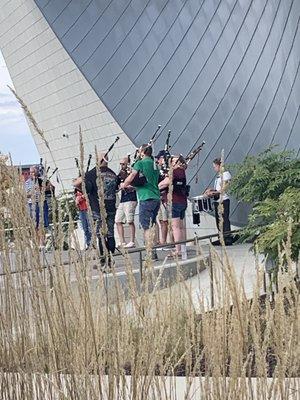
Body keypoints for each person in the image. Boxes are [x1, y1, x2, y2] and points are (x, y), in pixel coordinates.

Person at [73, 152, 118, 267]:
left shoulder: (92, 173)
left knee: (101, 235)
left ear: (99, 160)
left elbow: (77, 183)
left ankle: (103, 260)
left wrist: (82, 188)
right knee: (110, 234)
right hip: (111, 207)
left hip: (97, 209)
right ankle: (111, 258)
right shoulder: (113, 174)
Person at [120, 144, 160, 260]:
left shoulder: (140, 163)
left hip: (145, 197)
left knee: (146, 227)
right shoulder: (155, 164)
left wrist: (124, 184)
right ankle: (154, 251)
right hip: (156, 196)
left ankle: (149, 253)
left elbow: (132, 175)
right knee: (152, 225)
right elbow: (148, 181)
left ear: (142, 152)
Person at [158, 156, 188, 258]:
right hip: (183, 200)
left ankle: (178, 250)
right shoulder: (182, 171)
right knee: (181, 226)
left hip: (174, 200)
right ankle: (183, 248)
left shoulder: (174, 172)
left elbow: (166, 183)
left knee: (175, 227)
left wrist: (156, 187)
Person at [204, 158, 233, 245]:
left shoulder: (226, 175)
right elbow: (218, 189)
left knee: (224, 219)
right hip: (217, 200)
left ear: (219, 166)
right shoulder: (218, 176)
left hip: (223, 200)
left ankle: (227, 237)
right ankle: (221, 237)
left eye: (215, 167)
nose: (214, 169)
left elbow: (223, 189)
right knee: (219, 220)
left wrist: (212, 193)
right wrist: (211, 190)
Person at [25, 165, 50, 247]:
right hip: (32, 204)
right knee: (34, 225)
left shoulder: (42, 180)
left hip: (41, 203)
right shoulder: (27, 182)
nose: (32, 174)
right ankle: (36, 243)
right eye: (31, 172)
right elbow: (26, 194)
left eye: (34, 172)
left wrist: (41, 188)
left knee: (41, 224)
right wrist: (32, 191)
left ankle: (42, 243)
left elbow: (49, 188)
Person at [115, 157, 137, 248]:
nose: (121, 166)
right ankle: (122, 241)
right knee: (118, 220)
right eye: (120, 164)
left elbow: (136, 185)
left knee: (130, 220)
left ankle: (132, 241)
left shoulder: (132, 172)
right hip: (123, 199)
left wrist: (128, 186)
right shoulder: (120, 174)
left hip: (131, 198)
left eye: (123, 164)